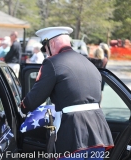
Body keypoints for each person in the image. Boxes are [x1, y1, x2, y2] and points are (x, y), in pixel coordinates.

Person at [20, 27, 114, 159]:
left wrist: (22, 106)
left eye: (45, 49)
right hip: (98, 134)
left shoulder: (52, 63)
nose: (47, 54)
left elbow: (34, 99)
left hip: (72, 135)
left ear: (51, 44)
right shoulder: (88, 62)